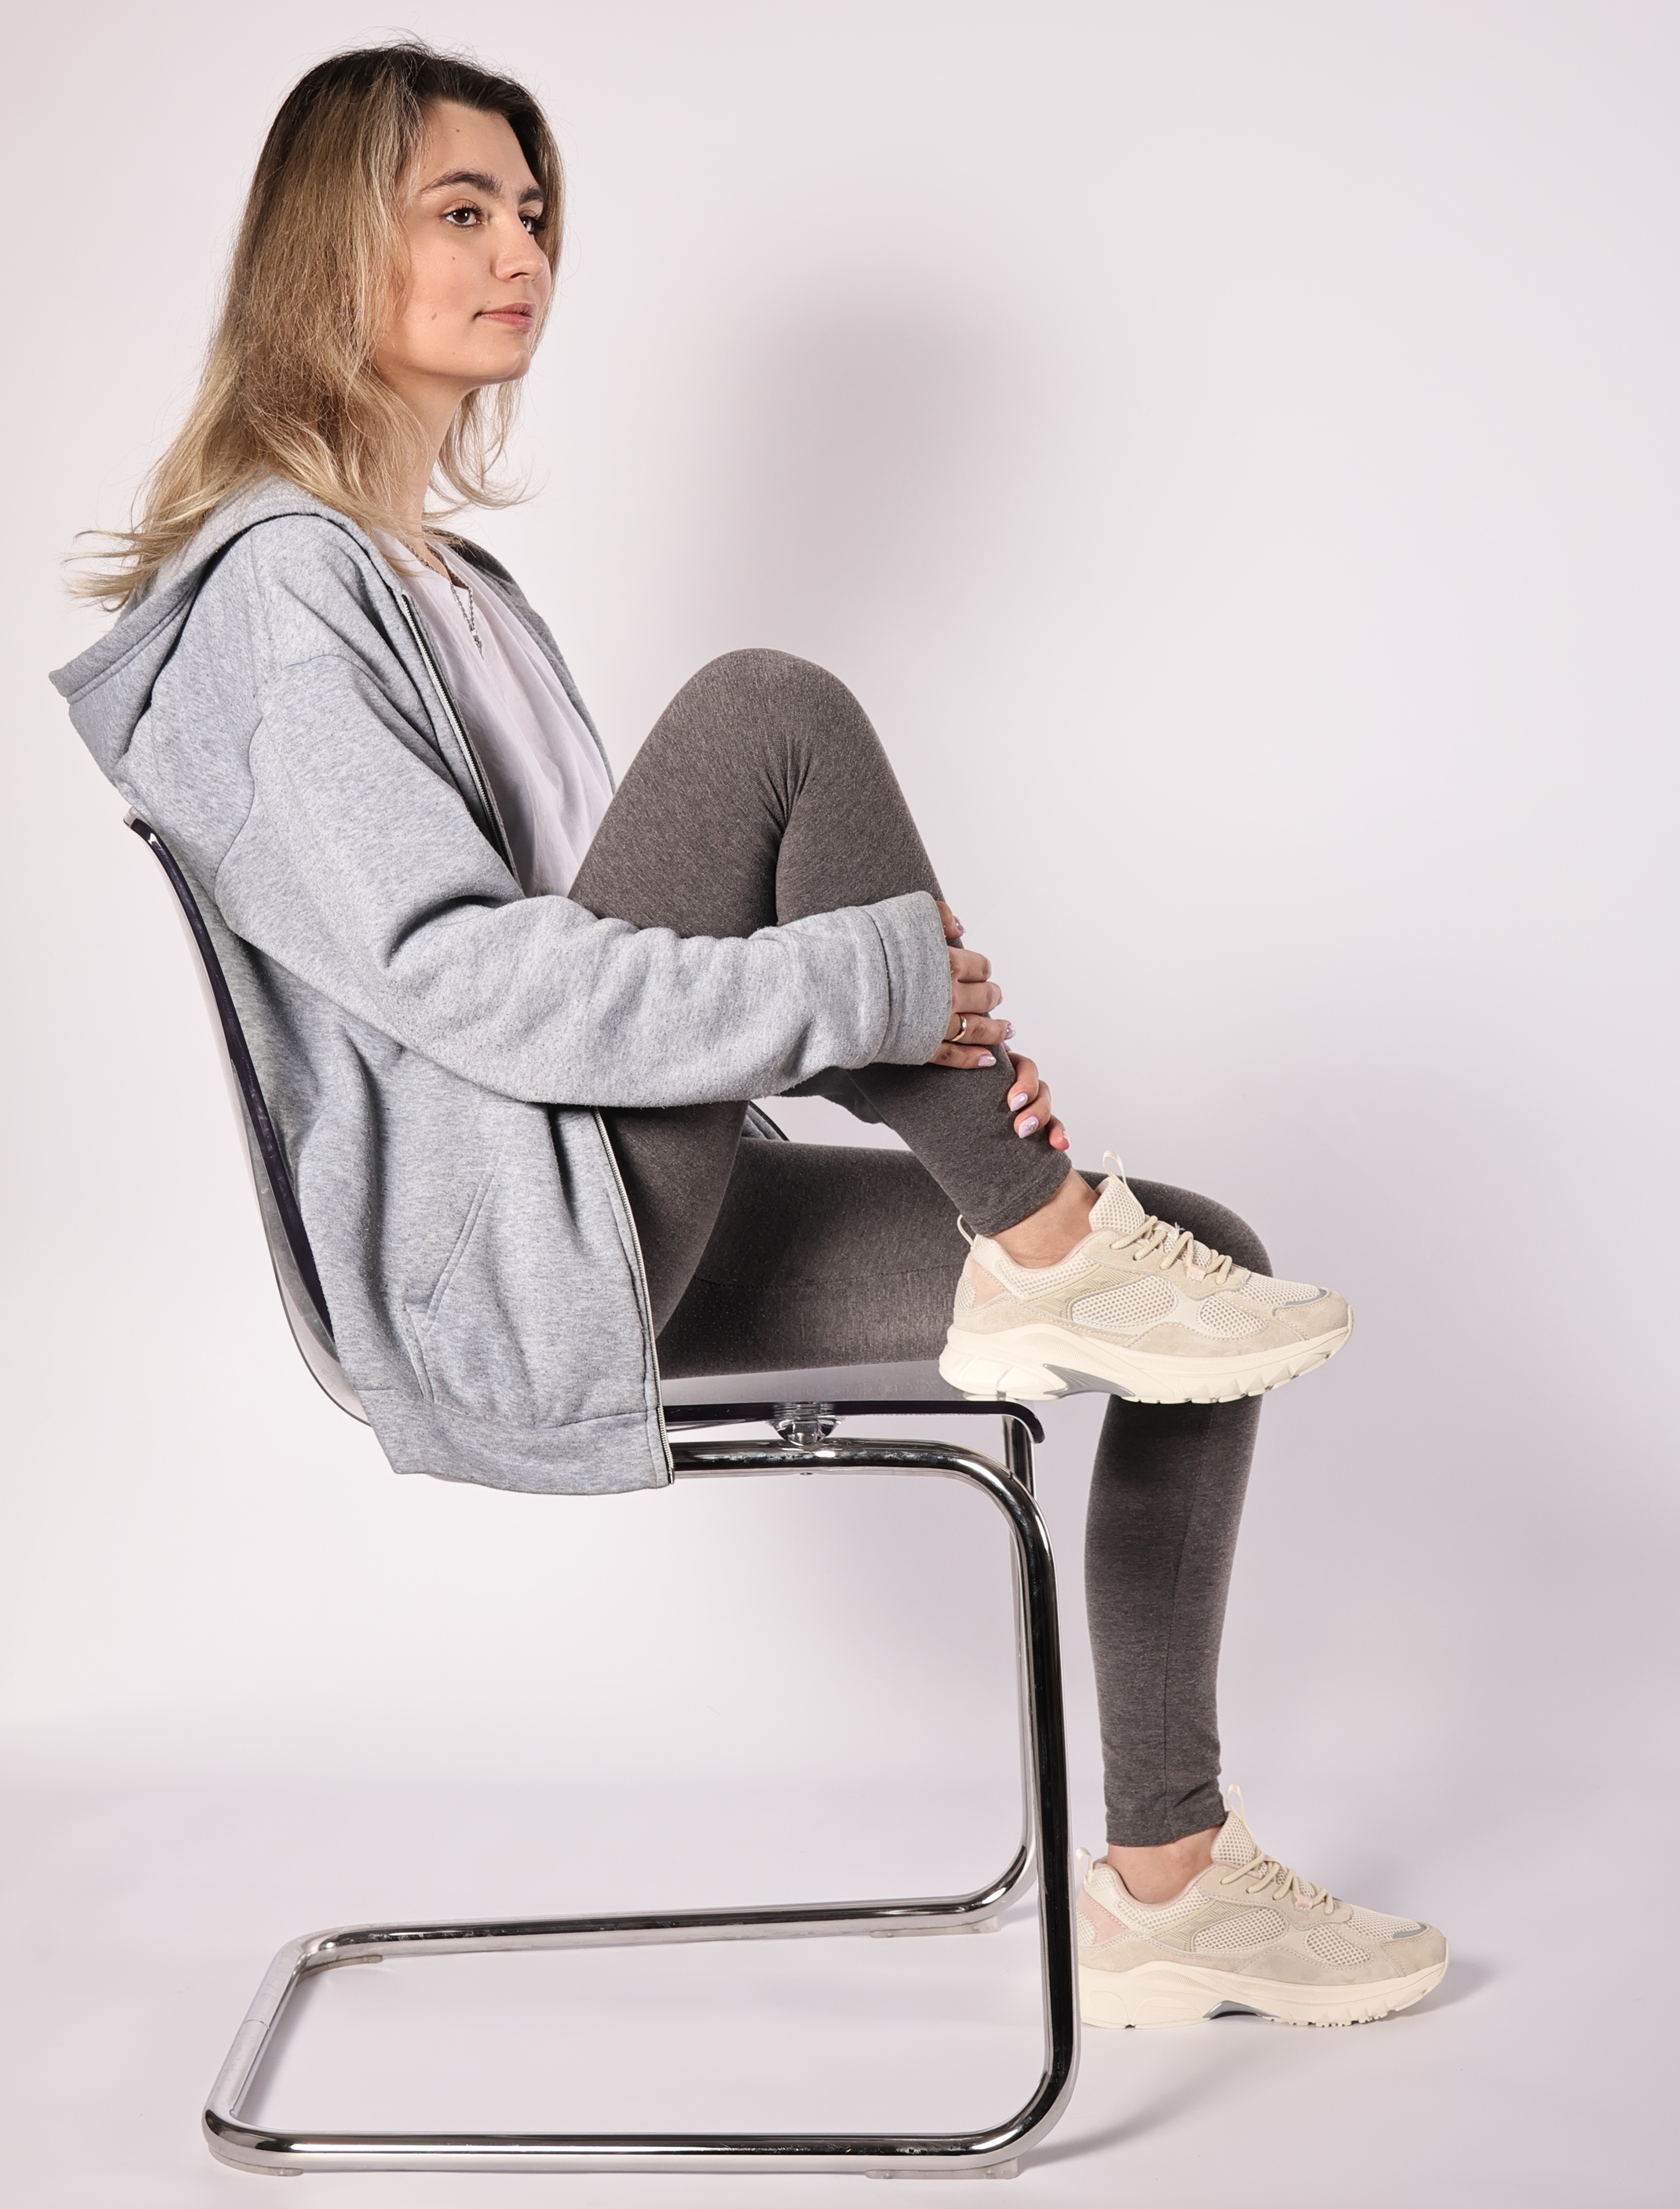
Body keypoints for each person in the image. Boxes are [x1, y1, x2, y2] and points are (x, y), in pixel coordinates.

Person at [52, 42, 1446, 2031]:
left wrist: (903, 1042)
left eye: (535, 212)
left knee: (1203, 1271)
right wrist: (880, 999)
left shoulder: (456, 583)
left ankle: (1173, 1885)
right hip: (504, 1266)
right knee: (765, 710)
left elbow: (631, 975)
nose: (522, 251)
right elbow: (477, 983)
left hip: (627, 1197)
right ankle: (1043, 1235)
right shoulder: (286, 597)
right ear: (326, 249)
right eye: (463, 209)